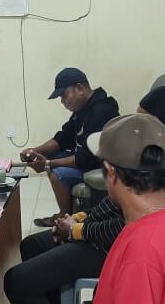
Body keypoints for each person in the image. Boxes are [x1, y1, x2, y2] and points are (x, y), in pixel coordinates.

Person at [5, 86, 165, 304]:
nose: (135, 126)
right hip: (103, 237)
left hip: (108, 247)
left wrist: (76, 231)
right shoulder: (149, 158)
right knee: (32, 245)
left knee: (16, 281)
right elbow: (119, 206)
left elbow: (123, 227)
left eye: (142, 120)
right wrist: (80, 219)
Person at [22, 68, 119, 224]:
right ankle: (67, 213)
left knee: (57, 173)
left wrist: (48, 163)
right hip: (86, 159)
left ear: (79, 88)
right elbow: (63, 138)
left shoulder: (102, 110)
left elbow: (88, 157)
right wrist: (35, 151)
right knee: (51, 157)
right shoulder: (82, 110)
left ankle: (65, 218)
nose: (62, 101)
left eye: (64, 95)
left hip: (100, 165)